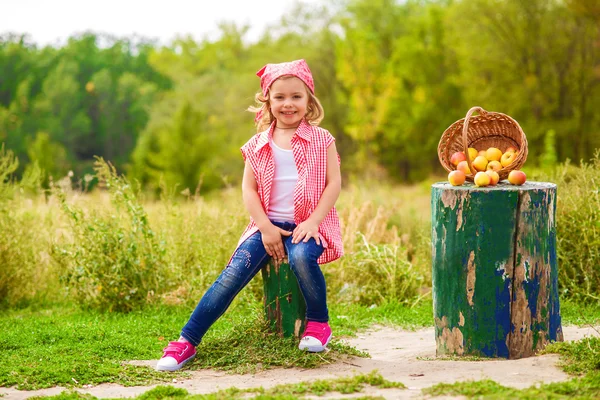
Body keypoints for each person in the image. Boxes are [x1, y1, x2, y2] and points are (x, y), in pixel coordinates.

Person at [156, 59, 343, 372]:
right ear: (267, 100)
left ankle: (319, 323)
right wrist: (265, 228)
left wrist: (312, 222)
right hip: (266, 225)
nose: (288, 104)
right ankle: (187, 341)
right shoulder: (257, 145)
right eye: (280, 96)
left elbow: (333, 183)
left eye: (296, 96)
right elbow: (249, 190)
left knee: (300, 259)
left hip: (308, 224)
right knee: (234, 271)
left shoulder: (322, 139)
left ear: (309, 100)